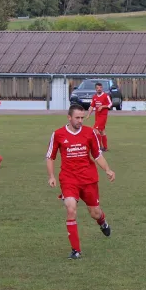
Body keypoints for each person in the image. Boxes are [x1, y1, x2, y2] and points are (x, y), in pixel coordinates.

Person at [46, 104, 115, 260]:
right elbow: (50, 156)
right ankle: (76, 250)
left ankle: (102, 222)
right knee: (71, 209)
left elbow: (97, 155)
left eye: (82, 117)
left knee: (95, 213)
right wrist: (51, 176)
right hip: (68, 179)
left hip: (88, 179)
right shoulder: (58, 134)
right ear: (69, 118)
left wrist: (108, 169)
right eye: (77, 118)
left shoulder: (90, 132)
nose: (80, 120)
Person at [86, 82, 112, 151]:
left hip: (103, 116)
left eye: (100, 88)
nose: (99, 89)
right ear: (95, 89)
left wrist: (103, 106)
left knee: (95, 129)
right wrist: (88, 114)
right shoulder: (94, 97)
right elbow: (92, 106)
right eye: (97, 88)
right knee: (102, 131)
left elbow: (110, 104)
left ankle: (99, 146)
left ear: (102, 88)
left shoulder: (106, 96)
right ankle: (105, 148)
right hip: (97, 116)